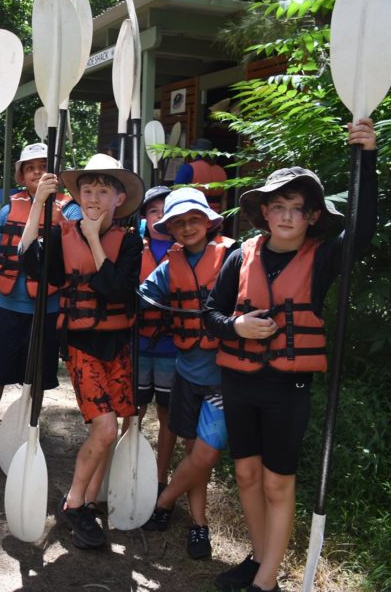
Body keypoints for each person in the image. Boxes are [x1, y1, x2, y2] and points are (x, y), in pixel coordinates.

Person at [203, 120, 377, 592]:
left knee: (278, 483)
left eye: (295, 209)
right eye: (277, 206)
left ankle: (266, 582)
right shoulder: (240, 256)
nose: (285, 216)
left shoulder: (322, 259)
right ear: (264, 211)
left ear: (312, 217)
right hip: (239, 382)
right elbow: (210, 314)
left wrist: (366, 157)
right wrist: (235, 326)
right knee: (245, 473)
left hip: (286, 389)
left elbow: (363, 230)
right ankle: (261, 560)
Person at [19, 153, 144, 549]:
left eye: (102, 191)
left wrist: (93, 238)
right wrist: (39, 203)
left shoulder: (130, 241)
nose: (92, 198)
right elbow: (29, 263)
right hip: (80, 343)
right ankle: (74, 502)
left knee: (106, 430)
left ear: (118, 199)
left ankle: (89, 501)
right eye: (86, 190)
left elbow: (116, 289)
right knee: (105, 427)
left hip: (117, 343)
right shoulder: (61, 233)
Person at [0, 143, 78, 470]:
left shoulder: (69, 212)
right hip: (9, 308)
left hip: (46, 310)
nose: (37, 171)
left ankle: (30, 435)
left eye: (43, 165)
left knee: (35, 379)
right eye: (30, 167)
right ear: (21, 175)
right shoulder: (8, 213)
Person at [138, 188, 236, 561]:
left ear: (209, 222)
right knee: (193, 449)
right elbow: (145, 293)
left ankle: (163, 502)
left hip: (222, 376)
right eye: (179, 223)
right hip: (186, 372)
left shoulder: (233, 256)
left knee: (205, 456)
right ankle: (199, 524)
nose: (187, 227)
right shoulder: (170, 264)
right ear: (172, 230)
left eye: (194, 220)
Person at [136, 186, 179, 489]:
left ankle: (161, 475)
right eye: (153, 210)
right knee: (133, 410)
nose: (159, 215)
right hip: (138, 345)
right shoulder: (134, 248)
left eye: (165, 209)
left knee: (166, 414)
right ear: (145, 217)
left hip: (171, 347)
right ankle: (128, 469)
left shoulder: (186, 250)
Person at [175, 138, 227, 213]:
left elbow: (176, 193)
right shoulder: (221, 171)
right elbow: (224, 199)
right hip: (215, 215)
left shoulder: (188, 168)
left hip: (193, 214)